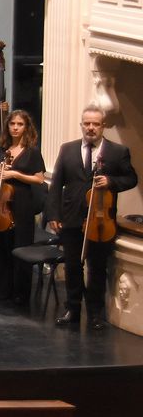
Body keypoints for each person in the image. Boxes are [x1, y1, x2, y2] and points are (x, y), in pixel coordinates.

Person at [47, 105, 138, 330]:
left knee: (97, 268)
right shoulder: (67, 149)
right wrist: (54, 214)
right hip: (71, 218)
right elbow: (56, 183)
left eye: (95, 124)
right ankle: (72, 309)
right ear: (81, 125)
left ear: (102, 126)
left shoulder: (118, 151)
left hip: (100, 221)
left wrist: (111, 182)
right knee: (73, 266)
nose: (90, 128)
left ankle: (96, 314)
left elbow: (131, 179)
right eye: (87, 123)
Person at [0, 110, 47, 306]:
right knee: (1, 246)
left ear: (26, 127)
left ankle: (21, 292)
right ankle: (2, 288)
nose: (15, 127)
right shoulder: (2, 148)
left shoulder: (32, 151)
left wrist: (14, 175)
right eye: (12, 124)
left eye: (19, 124)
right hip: (3, 202)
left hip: (22, 204)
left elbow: (39, 179)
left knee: (20, 246)